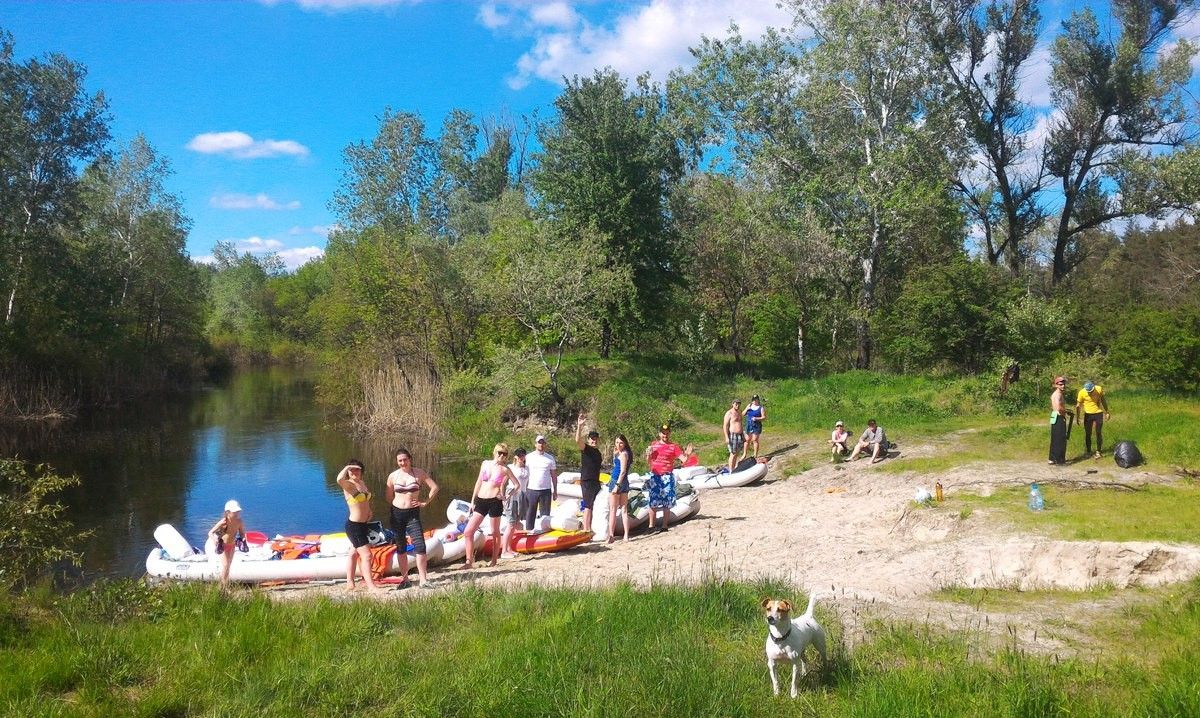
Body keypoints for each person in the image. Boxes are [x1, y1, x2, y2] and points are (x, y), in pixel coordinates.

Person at [386, 448, 439, 588]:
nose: (403, 463)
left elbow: (434, 487)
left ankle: (423, 580)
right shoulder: (393, 476)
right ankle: (405, 580)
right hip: (397, 515)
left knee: (420, 545)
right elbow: (388, 496)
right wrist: (396, 506)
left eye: (405, 459)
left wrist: (425, 502)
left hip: (413, 514)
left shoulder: (419, 473)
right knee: (401, 547)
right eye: (400, 461)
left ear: (410, 459)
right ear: (397, 462)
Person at [462, 444, 519, 569]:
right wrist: (473, 500)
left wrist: (506, 497)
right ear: (494, 452)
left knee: (495, 532)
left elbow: (516, 485)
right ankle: (468, 561)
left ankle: (494, 560)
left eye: (504, 454)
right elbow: (479, 482)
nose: (501, 456)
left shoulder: (505, 469)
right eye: (500, 453)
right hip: (481, 500)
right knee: (468, 531)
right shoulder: (485, 463)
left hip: (495, 501)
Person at [335, 459, 384, 593]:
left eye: (357, 469)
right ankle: (371, 586)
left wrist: (369, 511)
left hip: (363, 524)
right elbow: (339, 479)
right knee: (367, 556)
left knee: (353, 553)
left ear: (361, 471)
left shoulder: (361, 483)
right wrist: (348, 466)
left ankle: (350, 583)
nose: (354, 472)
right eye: (352, 470)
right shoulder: (348, 485)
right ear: (348, 472)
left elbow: (364, 501)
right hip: (354, 526)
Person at [644, 423, 684, 533]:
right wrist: (648, 455)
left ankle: (664, 526)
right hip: (655, 475)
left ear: (669, 433)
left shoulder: (673, 446)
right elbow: (649, 461)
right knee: (653, 501)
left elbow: (683, 459)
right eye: (663, 433)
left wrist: (688, 455)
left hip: (667, 475)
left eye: (667, 433)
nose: (665, 435)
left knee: (667, 501)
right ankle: (651, 526)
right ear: (659, 433)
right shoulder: (654, 445)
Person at [208, 499, 245, 592]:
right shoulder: (223, 522)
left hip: (232, 546)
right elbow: (210, 533)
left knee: (228, 566)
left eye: (238, 511)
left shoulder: (239, 521)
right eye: (234, 512)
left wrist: (243, 539)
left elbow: (242, 533)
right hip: (222, 546)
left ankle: (225, 585)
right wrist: (215, 540)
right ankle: (222, 587)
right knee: (225, 565)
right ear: (228, 512)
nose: (237, 513)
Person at [575, 415, 603, 535]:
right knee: (588, 505)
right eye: (592, 438)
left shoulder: (598, 452)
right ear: (588, 439)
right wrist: (579, 426)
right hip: (587, 481)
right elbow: (577, 441)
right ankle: (586, 528)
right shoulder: (586, 449)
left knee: (593, 505)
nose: (594, 440)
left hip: (595, 481)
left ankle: (590, 527)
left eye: (595, 438)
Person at [523, 435, 558, 532]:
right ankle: (529, 531)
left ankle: (544, 532)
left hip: (545, 490)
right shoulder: (528, 457)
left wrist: (555, 491)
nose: (541, 445)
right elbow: (521, 472)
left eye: (543, 443)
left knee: (545, 515)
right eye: (539, 442)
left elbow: (554, 476)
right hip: (531, 489)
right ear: (535, 444)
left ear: (545, 444)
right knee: (530, 513)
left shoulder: (550, 458)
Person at [500, 447, 529, 558]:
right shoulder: (510, 468)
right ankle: (504, 551)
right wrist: (503, 498)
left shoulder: (527, 468)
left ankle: (509, 548)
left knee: (516, 522)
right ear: (516, 457)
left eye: (523, 455)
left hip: (521, 495)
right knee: (511, 523)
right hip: (511, 494)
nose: (522, 457)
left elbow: (526, 483)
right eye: (519, 455)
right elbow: (503, 484)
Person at [606, 434, 633, 544]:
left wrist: (617, 485)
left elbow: (622, 471)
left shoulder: (623, 455)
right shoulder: (622, 453)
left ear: (625, 443)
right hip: (624, 482)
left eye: (620, 443)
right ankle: (625, 535)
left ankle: (611, 535)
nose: (618, 445)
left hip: (617, 481)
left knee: (613, 510)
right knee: (623, 509)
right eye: (617, 442)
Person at [1075, 380, 1111, 459]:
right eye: (1088, 391)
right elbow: (1078, 406)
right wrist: (1077, 418)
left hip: (1098, 413)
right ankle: (1088, 451)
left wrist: (1107, 412)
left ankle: (1098, 451)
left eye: (1091, 391)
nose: (1090, 393)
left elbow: (1103, 400)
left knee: (1098, 432)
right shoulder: (1081, 393)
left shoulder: (1099, 389)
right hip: (1088, 414)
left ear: (1094, 387)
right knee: (1088, 433)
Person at [1048, 376, 1071, 465]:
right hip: (1058, 417)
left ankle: (1052, 458)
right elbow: (1058, 407)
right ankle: (1059, 459)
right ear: (1056, 385)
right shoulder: (1058, 394)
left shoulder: (1055, 394)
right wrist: (1066, 411)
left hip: (1054, 416)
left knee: (1054, 438)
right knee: (1060, 439)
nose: (1063, 386)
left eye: (1064, 384)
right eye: (1060, 384)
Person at [723, 398, 745, 471]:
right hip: (733, 435)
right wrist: (726, 437)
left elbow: (740, 423)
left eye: (739, 404)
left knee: (737, 452)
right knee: (733, 453)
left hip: (740, 434)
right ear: (732, 404)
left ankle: (733, 468)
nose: (737, 406)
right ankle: (730, 470)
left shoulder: (739, 412)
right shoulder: (729, 413)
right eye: (736, 404)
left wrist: (743, 434)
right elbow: (725, 425)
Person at [744, 395, 766, 459]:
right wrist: (746, 409)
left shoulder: (761, 408)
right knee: (747, 440)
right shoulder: (749, 406)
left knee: (755, 440)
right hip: (749, 424)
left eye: (756, 399)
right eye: (753, 399)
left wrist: (756, 418)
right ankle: (744, 454)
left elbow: (764, 417)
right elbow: (742, 414)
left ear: (758, 400)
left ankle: (755, 455)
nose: (754, 401)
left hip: (756, 425)